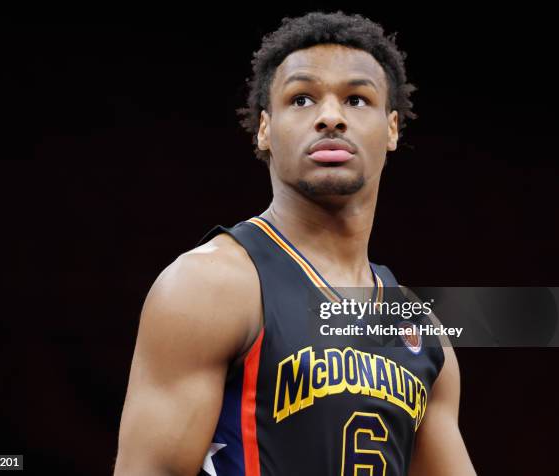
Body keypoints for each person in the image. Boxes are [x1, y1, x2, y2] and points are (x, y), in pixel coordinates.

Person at [114, 11, 476, 475]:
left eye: (357, 99)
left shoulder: (420, 329)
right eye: (302, 98)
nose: (330, 118)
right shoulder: (208, 285)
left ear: (391, 129)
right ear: (265, 127)